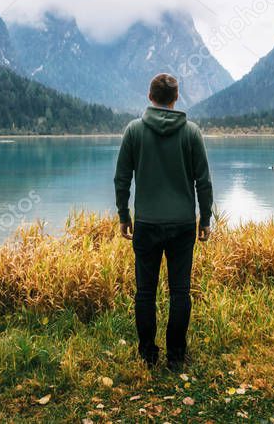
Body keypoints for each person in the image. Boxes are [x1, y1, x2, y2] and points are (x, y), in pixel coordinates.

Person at [114, 73, 213, 369]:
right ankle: (176, 356)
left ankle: (147, 354)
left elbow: (122, 178)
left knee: (145, 291)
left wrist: (124, 215)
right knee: (180, 291)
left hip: (146, 223)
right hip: (183, 224)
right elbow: (203, 182)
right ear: (176, 98)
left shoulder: (133, 131)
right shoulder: (192, 132)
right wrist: (204, 219)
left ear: (149, 96)